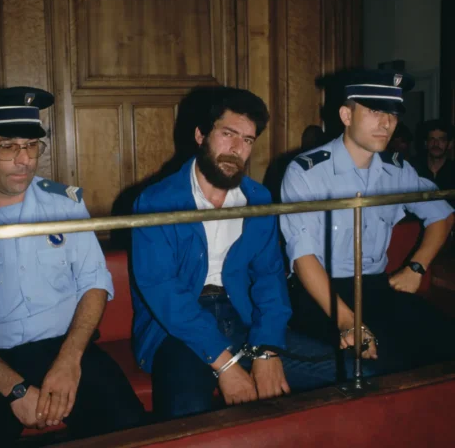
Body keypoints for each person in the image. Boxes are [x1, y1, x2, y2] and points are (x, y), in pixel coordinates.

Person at [131, 87, 375, 422]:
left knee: (361, 376)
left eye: (247, 140)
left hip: (243, 317)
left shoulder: (258, 199)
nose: (237, 149)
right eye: (227, 134)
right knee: (187, 419)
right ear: (201, 136)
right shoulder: (156, 201)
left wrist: (267, 349)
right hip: (178, 331)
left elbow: (269, 279)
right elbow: (163, 292)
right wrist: (226, 365)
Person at [0, 87, 145, 447]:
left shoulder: (65, 205)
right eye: (7, 146)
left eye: (31, 146)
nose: (24, 160)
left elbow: (94, 282)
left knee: (131, 428)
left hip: (66, 346)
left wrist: (70, 360)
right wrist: (14, 389)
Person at [280, 69, 455, 376]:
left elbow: (442, 215)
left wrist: (416, 268)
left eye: (393, 114)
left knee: (445, 342)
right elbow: (303, 257)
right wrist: (348, 321)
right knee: (376, 366)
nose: (386, 123)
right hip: (320, 294)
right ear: (346, 115)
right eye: (375, 111)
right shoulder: (306, 172)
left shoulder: (397, 170)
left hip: (375, 287)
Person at [413, 119, 455, 192]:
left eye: (441, 140)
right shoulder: (414, 170)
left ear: (450, 144)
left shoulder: (452, 171)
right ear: (426, 143)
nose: (436, 144)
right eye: (432, 139)